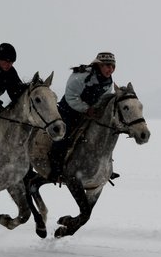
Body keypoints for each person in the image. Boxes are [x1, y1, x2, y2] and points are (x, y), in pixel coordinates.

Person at [48, 51, 118, 182]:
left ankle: (105, 168)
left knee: (103, 135)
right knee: (64, 136)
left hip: (88, 113)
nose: (111, 69)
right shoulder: (81, 75)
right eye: (108, 65)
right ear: (99, 65)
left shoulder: (108, 81)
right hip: (68, 110)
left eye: (113, 66)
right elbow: (71, 96)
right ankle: (55, 169)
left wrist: (97, 111)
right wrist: (86, 109)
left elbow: (103, 99)